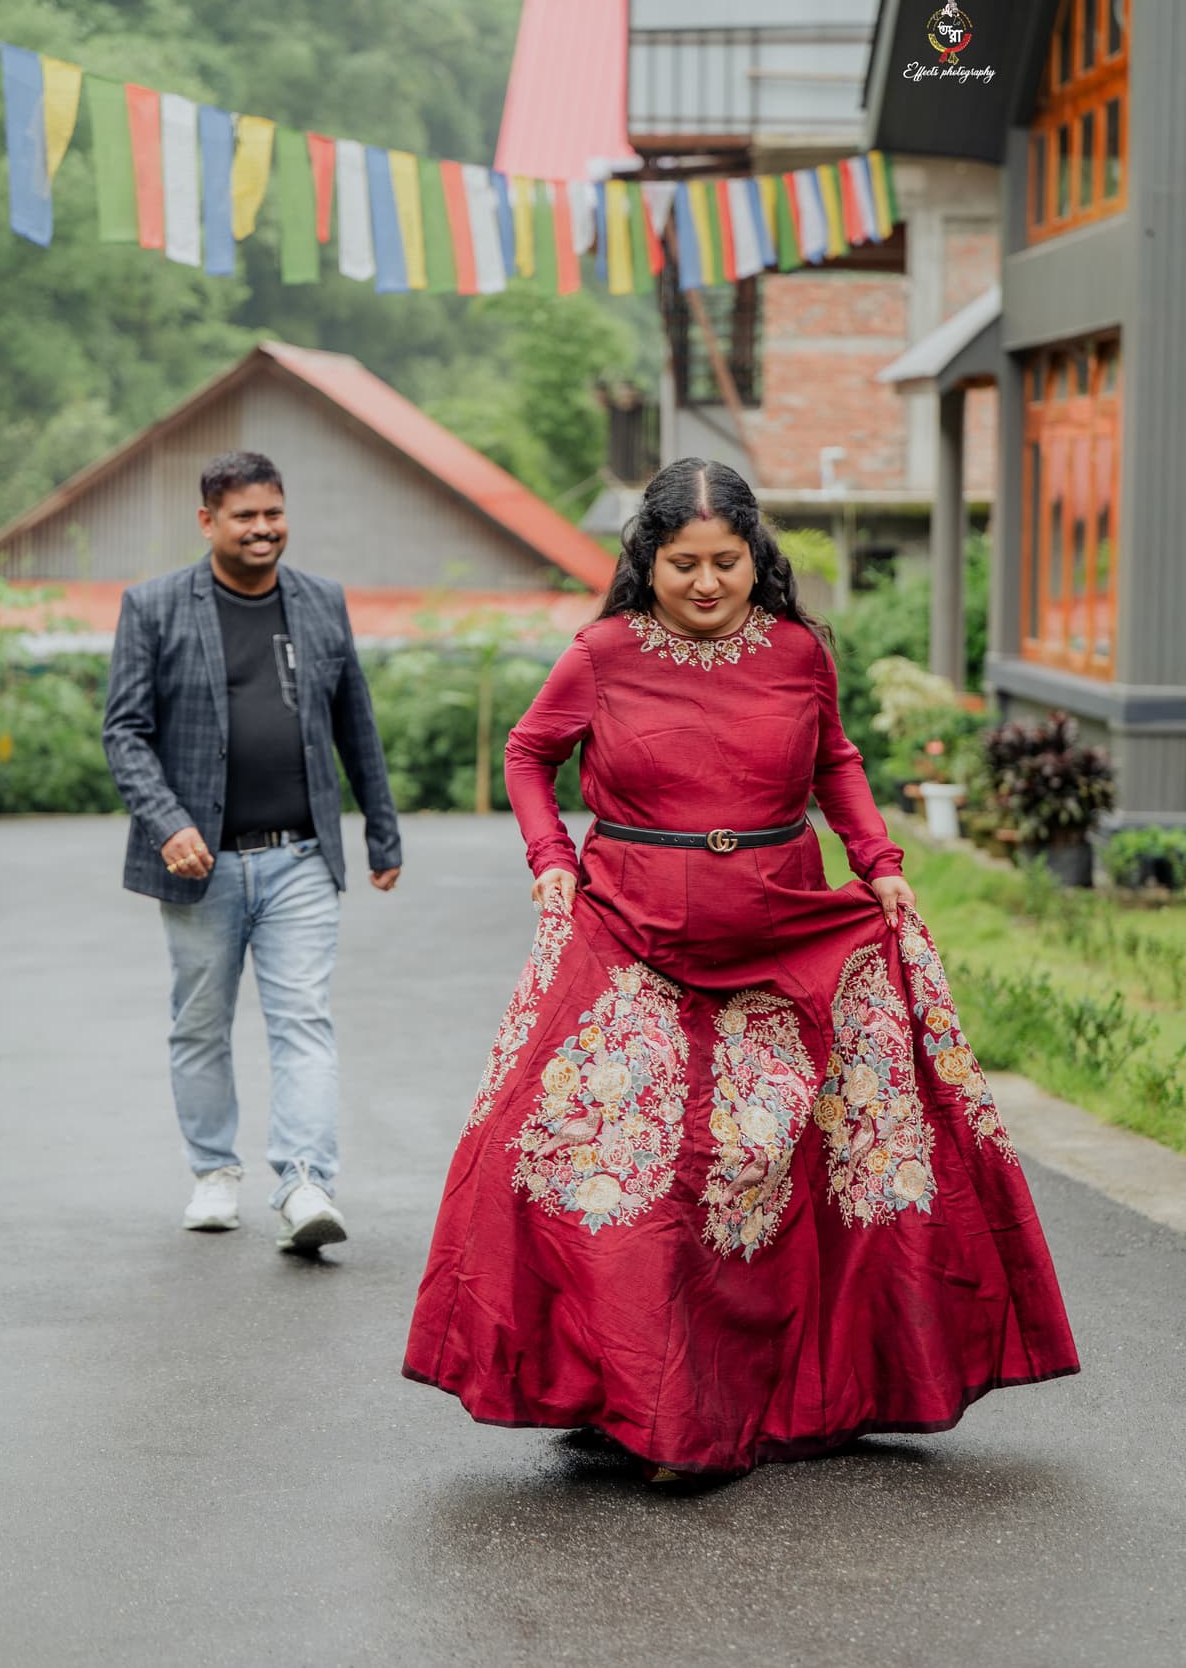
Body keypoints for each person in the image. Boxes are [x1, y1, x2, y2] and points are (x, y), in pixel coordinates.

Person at [404, 458, 1078, 1483]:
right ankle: (647, 1406)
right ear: (649, 561)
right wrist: (551, 860)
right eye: (685, 565)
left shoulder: (801, 653)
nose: (708, 583)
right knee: (634, 1169)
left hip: (783, 929)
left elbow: (836, 761)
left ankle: (785, 1396)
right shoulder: (601, 654)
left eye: (727, 562)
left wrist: (880, 862)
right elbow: (528, 754)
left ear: (756, 556)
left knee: (763, 1164)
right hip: (629, 929)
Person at [103, 450, 401, 1251]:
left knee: (303, 1018)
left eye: (274, 512)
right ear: (209, 521)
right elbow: (124, 732)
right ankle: (213, 1170)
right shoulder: (154, 607)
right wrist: (169, 823)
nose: (263, 528)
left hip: (301, 856)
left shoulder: (320, 601)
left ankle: (305, 1183)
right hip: (200, 865)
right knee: (200, 1023)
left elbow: (355, 722)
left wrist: (381, 828)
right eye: (245, 516)